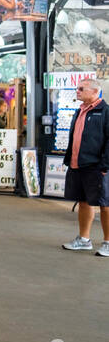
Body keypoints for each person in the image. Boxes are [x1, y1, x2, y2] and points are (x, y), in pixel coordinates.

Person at [60, 78, 109, 255]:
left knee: (105, 204)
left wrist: (105, 165)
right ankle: (84, 239)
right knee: (83, 201)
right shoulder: (79, 111)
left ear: (95, 92)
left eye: (82, 89)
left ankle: (108, 242)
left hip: (97, 166)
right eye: (77, 88)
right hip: (78, 165)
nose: (77, 91)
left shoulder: (105, 112)